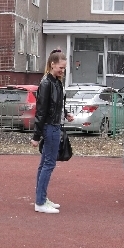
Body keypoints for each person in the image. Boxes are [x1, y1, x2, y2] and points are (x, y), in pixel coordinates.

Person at [30, 49, 74, 214]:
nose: (62, 71)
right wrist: (36, 136)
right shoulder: (47, 83)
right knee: (48, 164)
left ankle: (41, 198)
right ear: (52, 64)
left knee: (45, 164)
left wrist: (66, 112)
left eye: (64, 68)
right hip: (50, 127)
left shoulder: (56, 81)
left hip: (54, 125)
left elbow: (56, 104)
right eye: (60, 68)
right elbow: (41, 110)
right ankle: (40, 202)